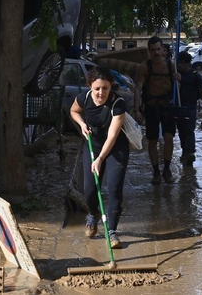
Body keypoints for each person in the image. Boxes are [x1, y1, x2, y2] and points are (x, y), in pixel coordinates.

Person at [70, 67, 130, 249]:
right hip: (92, 146)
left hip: (115, 149)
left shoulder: (118, 104)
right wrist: (81, 125)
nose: (101, 93)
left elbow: (112, 135)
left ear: (111, 86)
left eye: (105, 88)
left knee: (114, 189)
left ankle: (112, 231)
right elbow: (74, 111)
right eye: (97, 88)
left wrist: (100, 158)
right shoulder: (84, 98)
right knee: (89, 189)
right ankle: (93, 214)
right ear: (90, 87)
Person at [134, 36, 181, 185]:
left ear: (163, 50)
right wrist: (137, 110)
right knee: (152, 140)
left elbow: (178, 88)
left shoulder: (170, 65)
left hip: (167, 106)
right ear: (149, 51)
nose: (156, 53)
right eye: (153, 50)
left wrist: (178, 79)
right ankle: (155, 171)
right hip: (151, 106)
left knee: (168, 138)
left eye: (158, 49)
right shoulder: (144, 67)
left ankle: (166, 168)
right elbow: (138, 89)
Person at [176, 52, 202, 165]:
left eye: (182, 63)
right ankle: (185, 151)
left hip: (191, 107)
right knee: (181, 131)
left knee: (189, 129)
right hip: (179, 107)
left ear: (187, 64)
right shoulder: (176, 75)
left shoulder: (195, 76)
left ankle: (190, 152)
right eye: (178, 62)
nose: (179, 65)